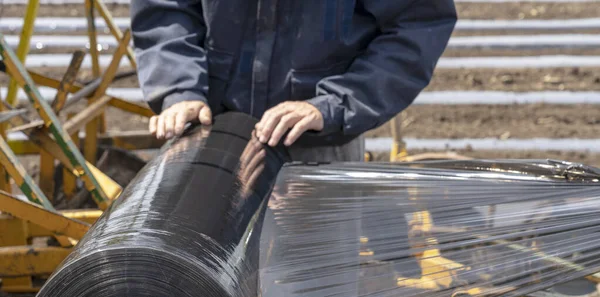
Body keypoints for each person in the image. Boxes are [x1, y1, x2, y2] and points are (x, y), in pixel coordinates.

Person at [131, 0, 456, 163]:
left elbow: (418, 22)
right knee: (200, 285)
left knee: (311, 289)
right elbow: (166, 9)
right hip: (207, 139)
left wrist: (335, 105)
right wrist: (179, 87)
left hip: (318, 148)